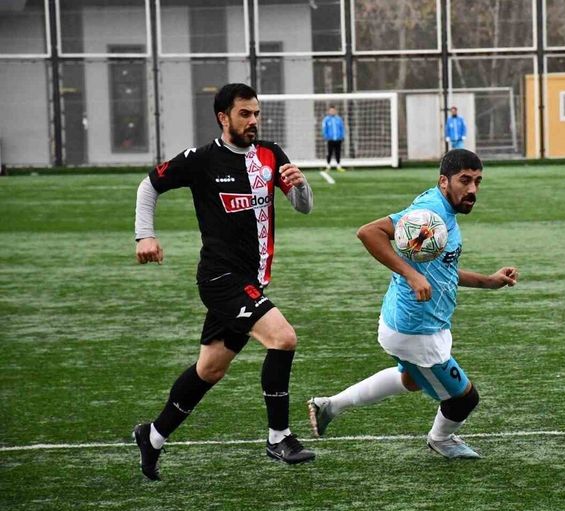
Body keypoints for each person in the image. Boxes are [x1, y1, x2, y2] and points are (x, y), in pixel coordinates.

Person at [132, 83, 316, 481]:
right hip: (220, 278)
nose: (253, 121)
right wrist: (144, 235)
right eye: (244, 114)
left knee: (210, 369)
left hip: (252, 282)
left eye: (256, 114)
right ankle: (279, 437)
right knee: (283, 338)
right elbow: (149, 185)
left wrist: (301, 186)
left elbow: (302, 207)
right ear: (223, 117)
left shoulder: (270, 154)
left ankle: (153, 435)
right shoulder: (201, 160)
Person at [307, 149, 518, 459]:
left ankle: (330, 406)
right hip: (416, 330)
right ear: (444, 181)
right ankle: (440, 439)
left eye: (477, 181)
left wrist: (488, 281)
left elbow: (442, 270)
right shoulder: (430, 212)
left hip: (410, 322)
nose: (473, 189)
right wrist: (410, 274)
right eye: (465, 181)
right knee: (464, 399)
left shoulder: (442, 211)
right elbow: (369, 233)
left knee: (410, 379)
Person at [321, 105, 345, 174]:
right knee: (329, 153)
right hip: (330, 139)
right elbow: (324, 129)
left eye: (333, 110)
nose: (332, 112)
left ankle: (338, 166)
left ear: (335, 111)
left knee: (338, 152)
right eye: (331, 111)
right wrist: (326, 136)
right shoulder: (326, 119)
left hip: (338, 139)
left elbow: (342, 128)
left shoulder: (339, 119)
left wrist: (342, 136)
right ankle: (328, 166)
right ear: (329, 111)